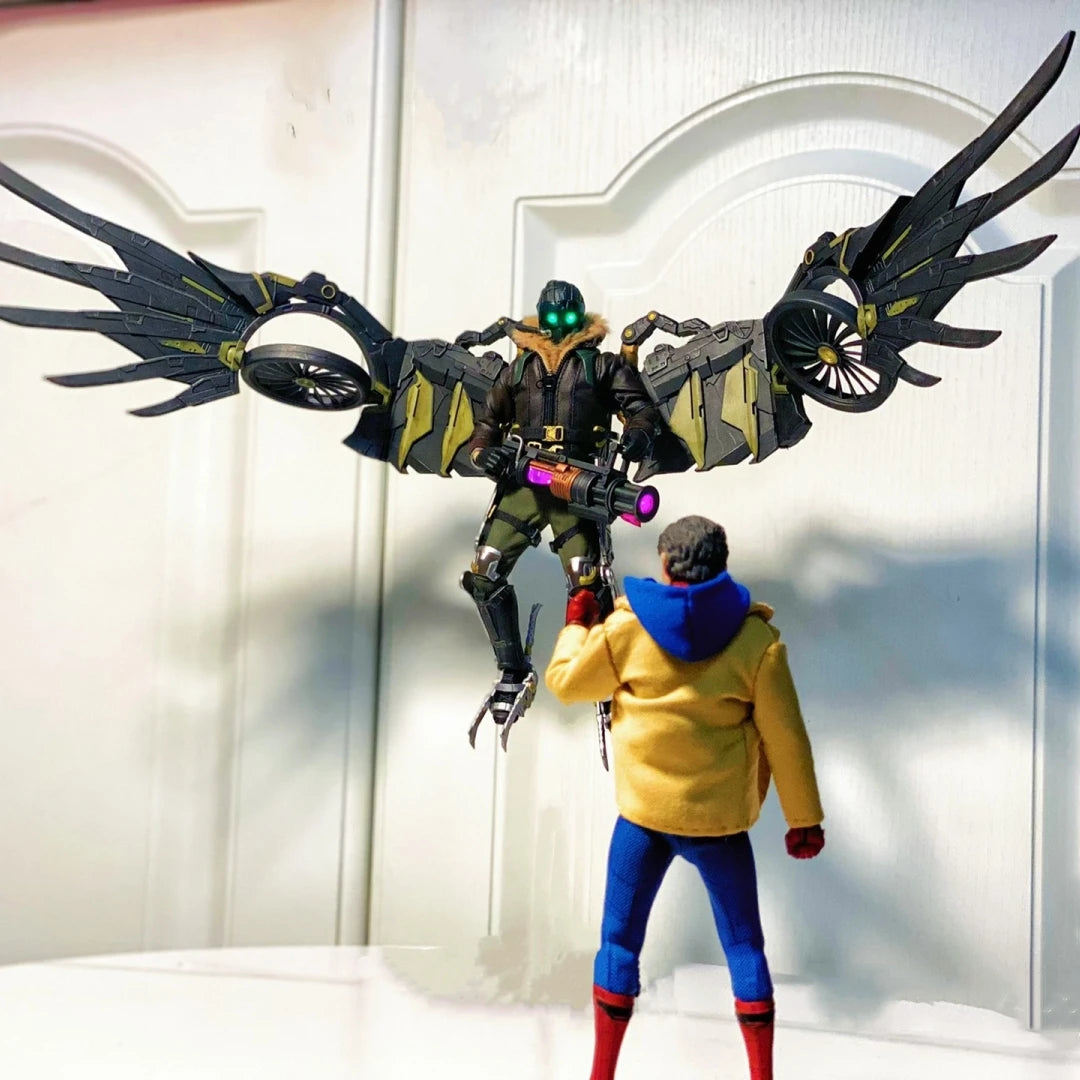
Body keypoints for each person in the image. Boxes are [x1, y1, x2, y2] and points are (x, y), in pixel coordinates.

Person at [545, 514, 825, 1080]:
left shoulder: (625, 631)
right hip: (720, 826)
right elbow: (787, 739)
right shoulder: (756, 643)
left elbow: (566, 684)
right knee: (745, 949)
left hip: (642, 819)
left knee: (618, 944)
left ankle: (602, 1072)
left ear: (666, 563)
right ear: (721, 564)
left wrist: (577, 625)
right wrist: (804, 819)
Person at [459, 279, 661, 723]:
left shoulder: (602, 366)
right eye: (551, 316)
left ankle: (600, 672)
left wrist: (638, 435)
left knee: (586, 579)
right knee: (484, 569)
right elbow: (486, 424)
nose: (559, 325)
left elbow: (641, 409)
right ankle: (513, 670)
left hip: (577, 483)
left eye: (568, 316)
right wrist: (482, 453)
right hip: (524, 479)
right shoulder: (518, 369)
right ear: (540, 317)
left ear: (581, 316)